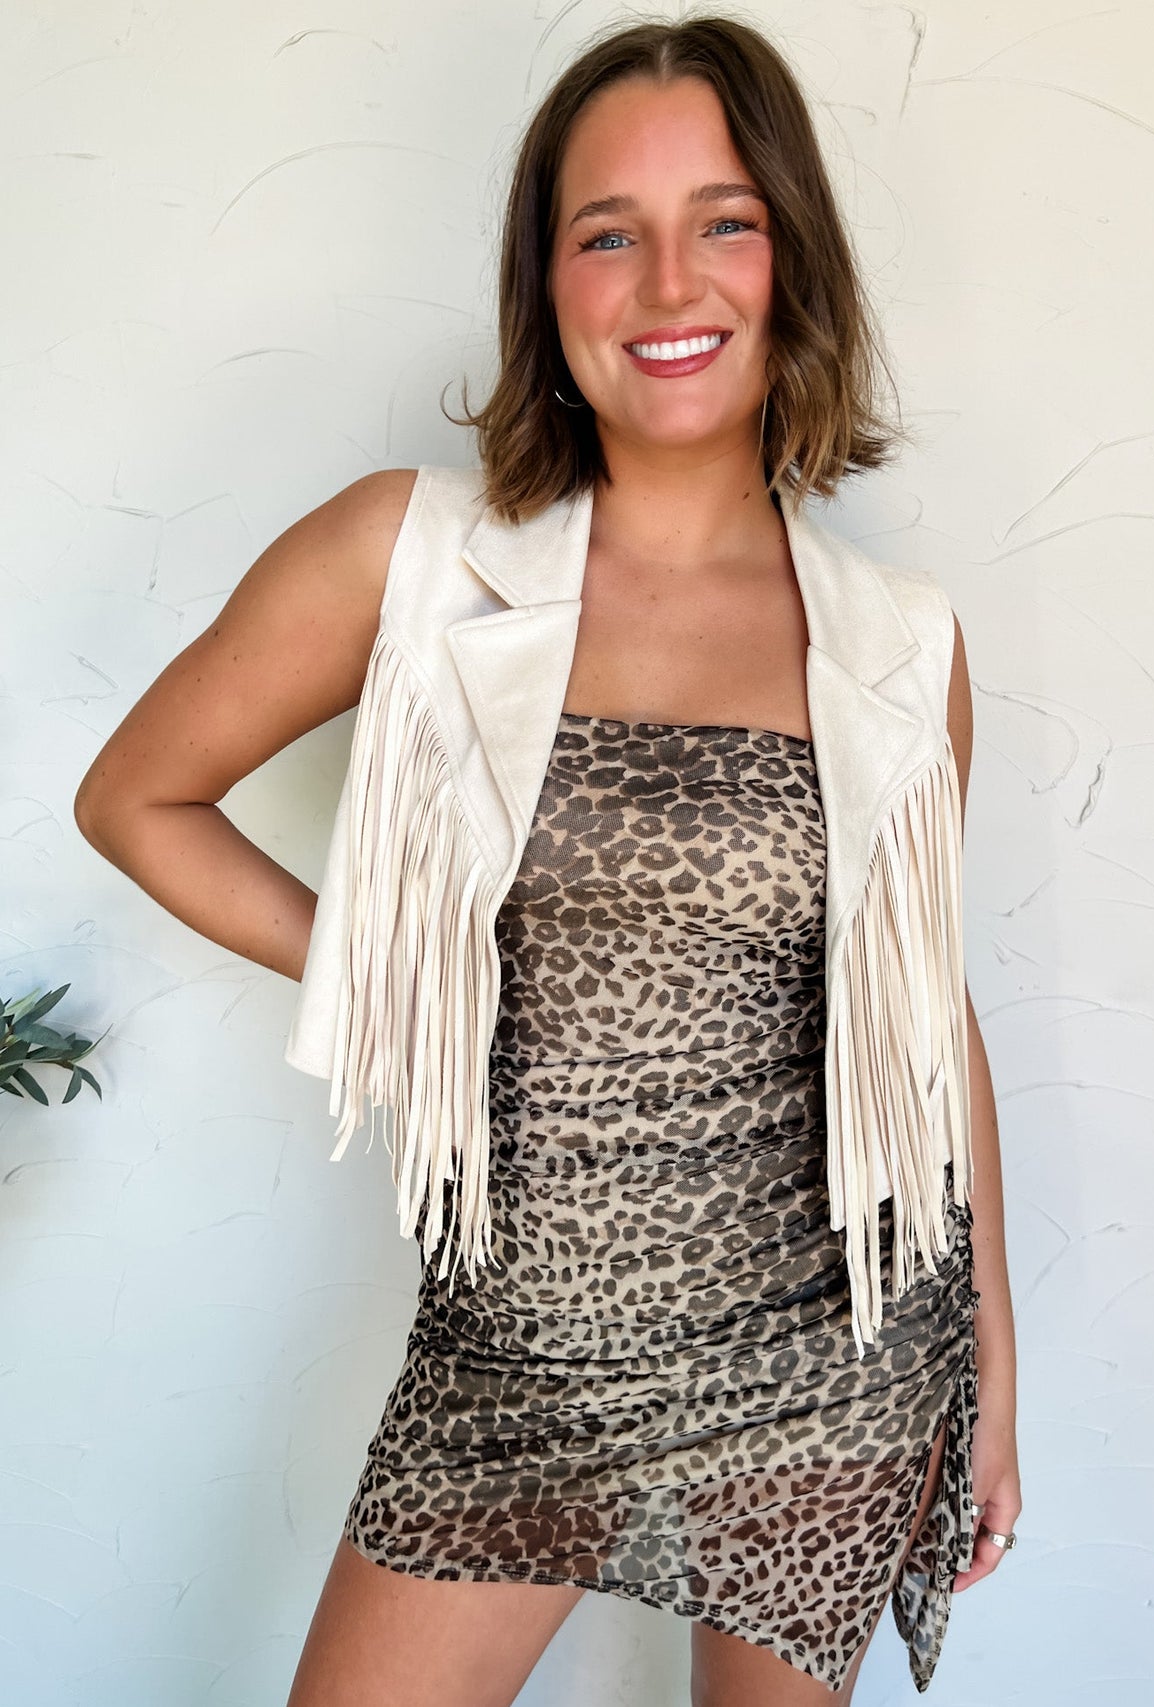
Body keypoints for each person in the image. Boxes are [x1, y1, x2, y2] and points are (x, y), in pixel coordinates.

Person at [74, 14, 1020, 1705]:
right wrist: (410, 975)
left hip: (830, 1362)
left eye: (724, 219)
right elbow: (138, 798)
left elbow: (922, 1018)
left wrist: (993, 1374)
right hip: (515, 1357)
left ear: (791, 258)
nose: (671, 282)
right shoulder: (410, 554)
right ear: (549, 280)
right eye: (609, 233)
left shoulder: (902, 646)